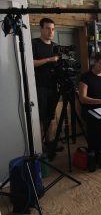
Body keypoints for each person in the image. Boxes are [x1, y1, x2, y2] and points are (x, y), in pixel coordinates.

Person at [32, 18, 60, 156]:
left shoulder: (55, 46)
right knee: (41, 117)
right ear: (41, 29)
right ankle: (41, 145)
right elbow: (30, 63)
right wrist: (49, 60)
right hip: (40, 86)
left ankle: (50, 143)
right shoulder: (34, 44)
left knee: (51, 116)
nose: (51, 31)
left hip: (53, 86)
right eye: (48, 28)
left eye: (53, 29)